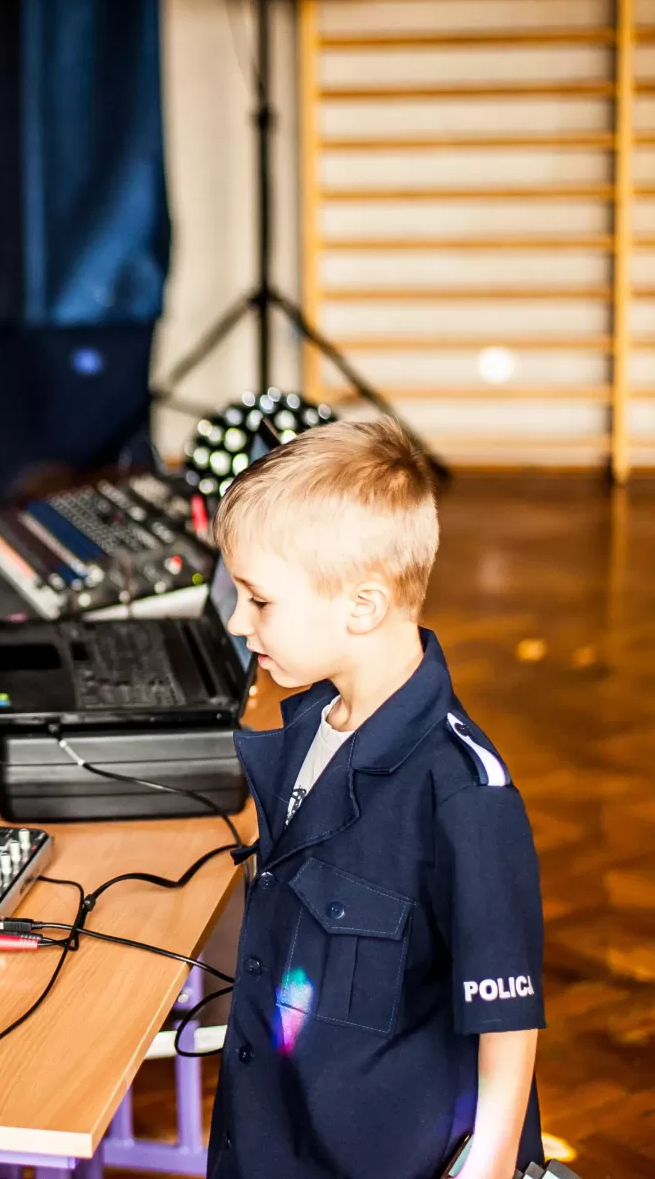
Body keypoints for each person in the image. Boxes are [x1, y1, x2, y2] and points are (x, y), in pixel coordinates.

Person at [208, 420, 544, 1179]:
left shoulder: (466, 795)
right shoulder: (308, 728)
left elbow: (506, 1018)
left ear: (362, 606)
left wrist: (489, 1165)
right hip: (271, 1136)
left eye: (259, 600)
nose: (237, 621)